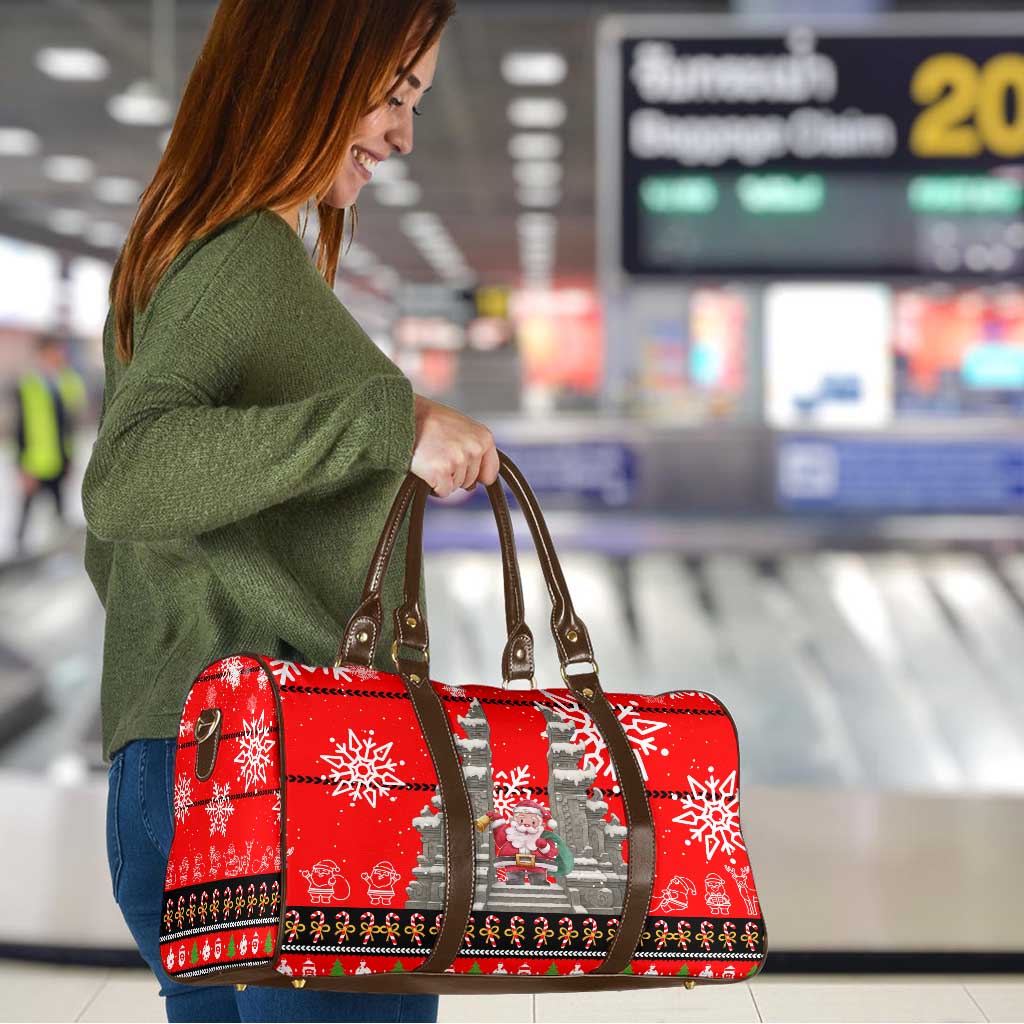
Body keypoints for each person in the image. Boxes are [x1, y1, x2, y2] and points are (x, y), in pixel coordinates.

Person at [80, 3, 497, 1021]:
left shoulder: (189, 251)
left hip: (190, 761)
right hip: (294, 781)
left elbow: (133, 539)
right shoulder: (239, 261)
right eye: (395, 94)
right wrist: (385, 423)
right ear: (307, 65)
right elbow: (126, 477)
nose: (402, 133)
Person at [11, 331, 86, 556]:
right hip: (35, 462)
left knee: (59, 511)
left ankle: (59, 554)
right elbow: (20, 428)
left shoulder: (65, 381)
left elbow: (72, 416)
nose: (59, 355)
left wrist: (70, 458)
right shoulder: (28, 385)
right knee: (26, 512)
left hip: (60, 458)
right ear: (43, 353)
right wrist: (22, 466)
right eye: (55, 350)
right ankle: (18, 554)